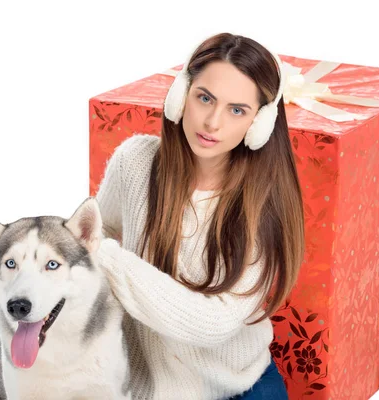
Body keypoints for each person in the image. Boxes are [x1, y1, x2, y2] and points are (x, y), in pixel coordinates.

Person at [94, 32, 304, 400]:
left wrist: (104, 256)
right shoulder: (134, 162)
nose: (212, 122)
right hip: (152, 379)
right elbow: (101, 231)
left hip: (240, 381)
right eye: (204, 98)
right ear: (180, 96)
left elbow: (212, 322)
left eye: (237, 110)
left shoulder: (262, 205)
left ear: (259, 126)